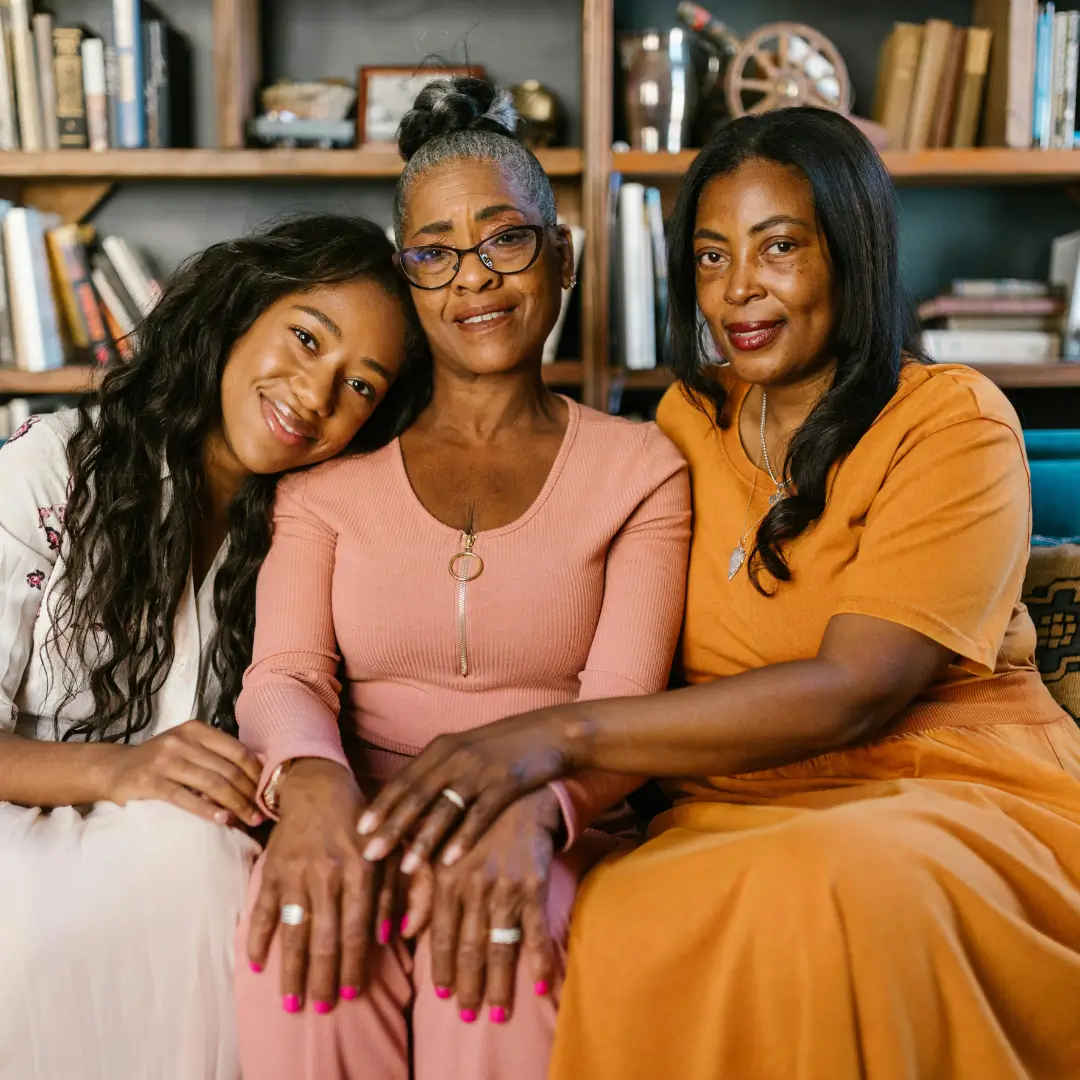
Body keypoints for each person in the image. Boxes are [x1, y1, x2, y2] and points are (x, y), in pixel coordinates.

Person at [354, 107, 1080, 1079]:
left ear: (852, 250)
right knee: (615, 914)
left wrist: (554, 739)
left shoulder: (952, 420)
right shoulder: (687, 422)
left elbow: (858, 688)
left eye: (780, 246)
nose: (739, 288)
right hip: (728, 807)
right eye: (710, 256)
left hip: (945, 790)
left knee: (835, 886)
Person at [232, 76, 690, 1080]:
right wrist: (311, 787)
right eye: (435, 253)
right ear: (408, 281)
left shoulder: (641, 469)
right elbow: (285, 675)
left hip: (545, 826)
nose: (473, 278)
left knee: (494, 962)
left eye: (506, 239)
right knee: (300, 961)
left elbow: (623, 706)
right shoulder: (326, 480)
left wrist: (536, 814)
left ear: (563, 257)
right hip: (362, 813)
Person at [0, 214, 426, 1080]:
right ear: (239, 309)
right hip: (23, 843)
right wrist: (120, 771)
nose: (315, 394)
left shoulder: (316, 535)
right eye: (306, 338)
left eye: (359, 385)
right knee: (191, 865)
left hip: (192, 857)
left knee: (215, 869)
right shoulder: (52, 469)